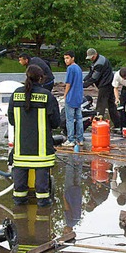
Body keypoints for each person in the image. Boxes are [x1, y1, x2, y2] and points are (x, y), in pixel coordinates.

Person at [8, 64, 60, 207]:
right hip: (41, 151)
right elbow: (56, 122)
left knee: (18, 195)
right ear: (41, 78)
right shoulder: (47, 96)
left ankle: (20, 207)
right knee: (43, 195)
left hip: (21, 149)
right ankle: (43, 206)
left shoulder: (16, 95)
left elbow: (12, 121)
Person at [83, 48, 120, 129]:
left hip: (106, 84)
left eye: (91, 57)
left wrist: (84, 85)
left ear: (95, 55)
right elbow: (90, 73)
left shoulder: (99, 63)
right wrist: (84, 80)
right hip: (109, 83)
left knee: (101, 104)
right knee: (111, 105)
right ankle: (118, 124)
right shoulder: (96, 61)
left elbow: (94, 77)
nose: (91, 59)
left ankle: (98, 125)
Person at [62, 50, 85, 147]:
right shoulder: (78, 68)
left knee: (70, 119)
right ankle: (80, 139)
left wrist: (65, 94)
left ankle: (70, 139)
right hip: (78, 96)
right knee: (79, 118)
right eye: (64, 58)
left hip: (71, 97)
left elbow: (68, 83)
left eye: (67, 58)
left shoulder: (70, 68)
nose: (66, 60)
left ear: (72, 58)